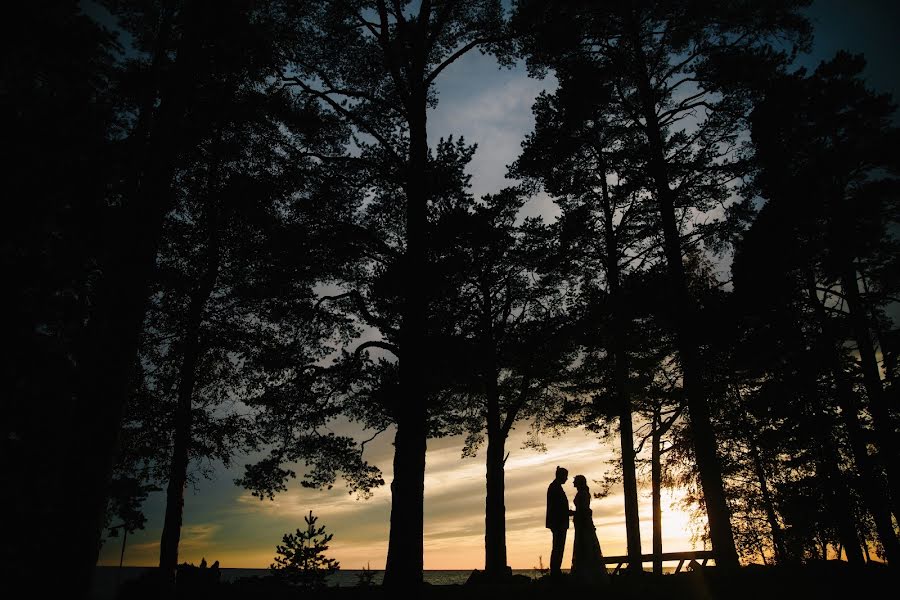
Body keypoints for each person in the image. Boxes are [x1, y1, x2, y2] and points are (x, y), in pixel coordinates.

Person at [570, 474, 610, 585]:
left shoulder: (582, 494)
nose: (573, 483)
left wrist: (573, 513)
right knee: (584, 547)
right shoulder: (583, 493)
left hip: (583, 525)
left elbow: (583, 510)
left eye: (575, 481)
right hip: (581, 524)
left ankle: (586, 577)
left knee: (585, 547)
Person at [546, 466, 572, 579]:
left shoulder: (555, 487)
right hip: (558, 522)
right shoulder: (555, 488)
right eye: (565, 476)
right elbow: (558, 507)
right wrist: (570, 513)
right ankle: (555, 571)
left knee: (558, 547)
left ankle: (556, 570)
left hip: (558, 522)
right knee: (558, 547)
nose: (566, 479)